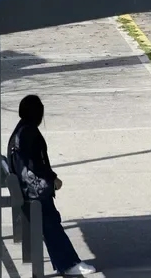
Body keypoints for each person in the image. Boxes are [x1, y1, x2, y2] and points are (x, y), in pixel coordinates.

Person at [6, 95, 96, 276]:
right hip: (34, 192)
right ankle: (68, 264)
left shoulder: (20, 130)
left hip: (24, 189)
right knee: (51, 223)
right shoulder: (29, 132)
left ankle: (66, 262)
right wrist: (52, 178)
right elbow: (33, 163)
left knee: (51, 221)